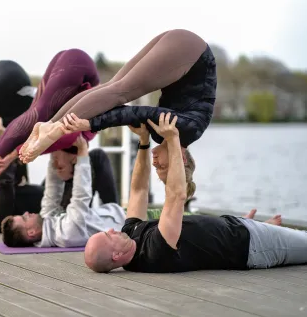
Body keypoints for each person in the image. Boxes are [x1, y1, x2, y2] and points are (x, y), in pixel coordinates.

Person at [84, 113, 307, 273]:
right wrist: (172, 139)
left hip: (238, 229)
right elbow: (176, 196)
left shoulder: (131, 232)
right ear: (116, 256)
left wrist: (143, 142)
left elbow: (139, 190)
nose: (111, 229)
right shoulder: (153, 253)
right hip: (253, 245)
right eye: (107, 236)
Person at [18, 29, 217, 179]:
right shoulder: (189, 130)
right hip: (192, 53)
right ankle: (53, 131)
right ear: (181, 159)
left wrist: (94, 122)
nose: (155, 163)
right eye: (162, 167)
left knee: (112, 87)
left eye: (156, 168)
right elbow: (139, 112)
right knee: (120, 91)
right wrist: (91, 125)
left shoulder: (161, 135)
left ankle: (49, 124)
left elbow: (127, 114)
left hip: (183, 46)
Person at [0, 49, 99, 192]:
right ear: (74, 160)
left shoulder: (69, 142)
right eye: (59, 166)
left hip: (69, 61)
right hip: (78, 63)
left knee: (35, 114)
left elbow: (40, 140)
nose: (54, 163)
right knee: (39, 112)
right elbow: (49, 140)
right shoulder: (83, 137)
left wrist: (7, 158)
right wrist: (7, 157)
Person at [0, 135, 125, 248]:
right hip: (124, 220)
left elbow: (52, 189)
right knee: (97, 156)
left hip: (113, 211)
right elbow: (81, 196)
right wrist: (82, 152)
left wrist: (54, 148)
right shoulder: (67, 234)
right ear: (32, 232)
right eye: (24, 217)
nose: (26, 212)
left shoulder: (47, 222)